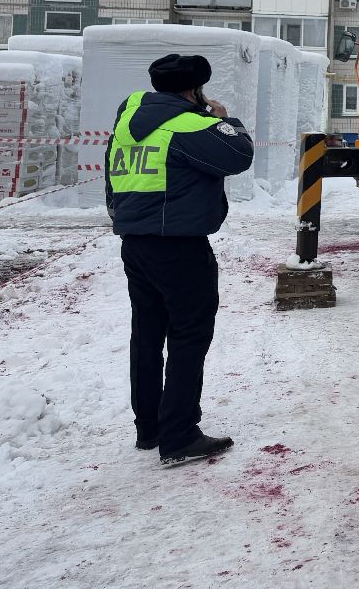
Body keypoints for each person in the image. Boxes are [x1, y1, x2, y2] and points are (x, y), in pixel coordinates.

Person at [106, 53, 254, 467]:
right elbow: (239, 155)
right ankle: (180, 434)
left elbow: (109, 173)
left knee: (147, 334)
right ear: (195, 90)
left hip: (135, 242)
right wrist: (227, 120)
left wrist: (119, 215)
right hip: (179, 246)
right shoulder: (192, 125)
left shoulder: (128, 118)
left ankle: (149, 427)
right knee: (189, 335)